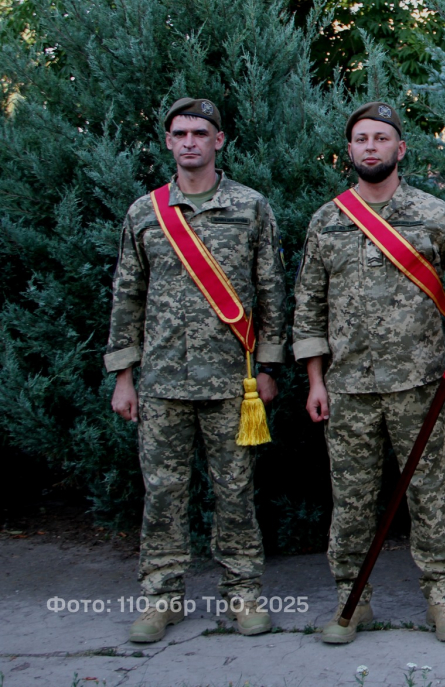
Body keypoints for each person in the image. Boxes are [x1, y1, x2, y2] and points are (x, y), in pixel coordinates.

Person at [293, 101, 445, 645]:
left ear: (400, 149)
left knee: (430, 494)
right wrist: (315, 381)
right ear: (349, 150)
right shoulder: (327, 220)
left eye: (381, 138)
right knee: (353, 498)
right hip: (348, 390)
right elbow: (309, 307)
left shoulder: (432, 213)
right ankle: (352, 599)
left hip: (421, 385)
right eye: (361, 138)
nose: (370, 146)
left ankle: (441, 598)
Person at [106, 97, 287, 642]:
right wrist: (123, 376)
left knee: (235, 491)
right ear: (168, 142)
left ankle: (244, 593)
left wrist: (270, 367)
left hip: (235, 382)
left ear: (219, 140)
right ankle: (162, 597)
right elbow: (127, 295)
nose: (189, 141)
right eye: (180, 133)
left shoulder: (251, 207)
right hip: (161, 381)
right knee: (162, 491)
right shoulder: (146, 212)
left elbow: (273, 290)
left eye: (200, 133)